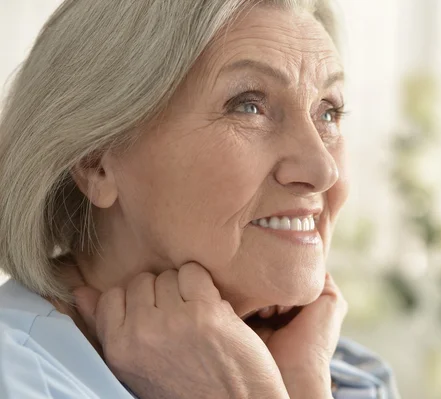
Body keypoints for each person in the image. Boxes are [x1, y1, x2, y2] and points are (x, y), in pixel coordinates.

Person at [0, 0, 398, 398]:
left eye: (328, 112)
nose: (322, 170)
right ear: (94, 161)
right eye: (249, 106)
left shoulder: (346, 376)